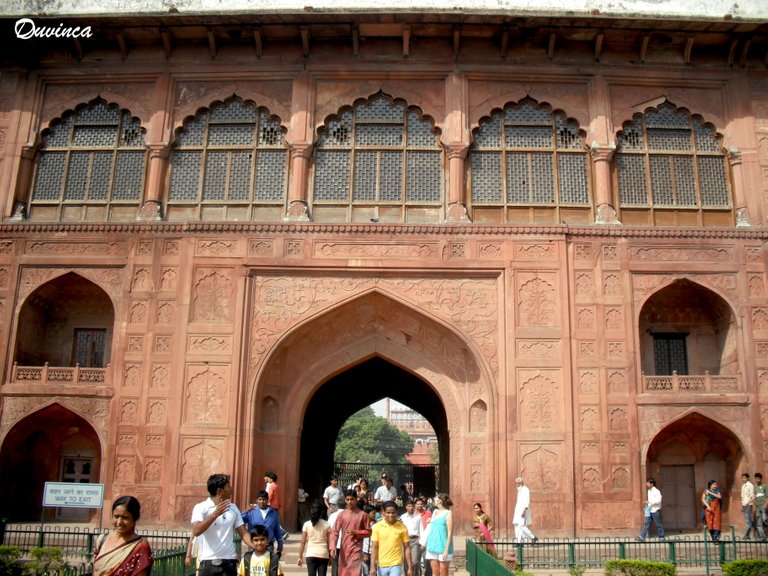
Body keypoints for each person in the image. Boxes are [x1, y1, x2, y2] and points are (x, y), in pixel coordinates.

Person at [192, 473, 257, 576]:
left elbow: (243, 533)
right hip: (208, 562)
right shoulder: (201, 508)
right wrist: (214, 514)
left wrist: (256, 545)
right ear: (220, 491)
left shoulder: (233, 508)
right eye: (228, 486)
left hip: (229, 562)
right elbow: (196, 531)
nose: (231, 489)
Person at [93, 495, 153, 576]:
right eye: (116, 516)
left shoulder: (140, 546)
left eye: (125, 518)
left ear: (134, 519)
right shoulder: (102, 539)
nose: (119, 522)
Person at [329, 490, 372, 576]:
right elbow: (334, 531)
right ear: (345, 500)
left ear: (356, 499)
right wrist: (332, 546)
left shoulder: (362, 515)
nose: (350, 502)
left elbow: (369, 532)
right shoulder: (341, 515)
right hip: (344, 550)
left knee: (354, 573)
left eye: (352, 499)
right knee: (343, 573)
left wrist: (356, 532)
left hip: (356, 549)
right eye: (347, 499)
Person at [371, 501, 413, 576]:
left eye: (393, 512)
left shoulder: (402, 527)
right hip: (381, 565)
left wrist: (410, 567)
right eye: (388, 512)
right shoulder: (377, 527)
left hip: (396, 564)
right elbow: (374, 547)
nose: (391, 515)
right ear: (383, 512)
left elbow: (407, 548)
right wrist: (372, 567)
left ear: (396, 512)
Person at [241, 490, 284, 558]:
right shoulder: (251, 512)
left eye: (264, 499)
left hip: (268, 545)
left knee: (267, 565)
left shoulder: (273, 513)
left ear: (267, 500)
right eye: (260, 499)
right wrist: (246, 511)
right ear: (256, 500)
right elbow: (239, 520)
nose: (262, 501)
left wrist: (280, 544)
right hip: (254, 544)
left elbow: (277, 530)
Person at [423, 493, 453, 576]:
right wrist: (430, 521)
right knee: (435, 573)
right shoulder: (435, 512)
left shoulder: (448, 513)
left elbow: (450, 532)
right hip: (433, 544)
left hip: (443, 546)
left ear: (439, 501)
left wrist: (446, 550)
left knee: (443, 573)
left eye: (435, 499)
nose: (434, 500)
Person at [298, 502, 331, 576]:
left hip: (311, 554)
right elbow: (329, 542)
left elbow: (303, 542)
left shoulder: (306, 524)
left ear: (311, 511)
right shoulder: (327, 524)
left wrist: (300, 557)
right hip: (323, 554)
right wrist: (330, 556)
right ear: (322, 511)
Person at [636, 477, 665, 541]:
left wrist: (650, 502)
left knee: (658, 524)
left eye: (648, 483)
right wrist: (647, 503)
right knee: (647, 524)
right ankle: (642, 537)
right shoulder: (649, 491)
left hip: (655, 510)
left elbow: (658, 500)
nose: (647, 484)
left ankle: (662, 536)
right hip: (649, 510)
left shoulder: (657, 491)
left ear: (652, 484)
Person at [400, 501, 422, 576]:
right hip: (405, 540)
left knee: (415, 560)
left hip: (415, 540)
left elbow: (421, 529)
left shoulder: (418, 517)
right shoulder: (402, 517)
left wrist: (421, 542)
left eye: (412, 506)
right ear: (406, 507)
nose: (411, 508)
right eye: (409, 506)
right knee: (406, 560)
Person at [513, 477, 537, 543]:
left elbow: (527, 501)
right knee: (516, 525)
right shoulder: (520, 490)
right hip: (518, 510)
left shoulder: (525, 490)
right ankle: (518, 542)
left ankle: (532, 537)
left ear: (521, 483)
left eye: (518, 483)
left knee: (521, 526)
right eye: (516, 483)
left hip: (523, 510)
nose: (517, 485)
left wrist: (524, 510)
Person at [741, 472, 756, 539]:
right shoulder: (743, 486)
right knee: (748, 520)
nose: (743, 479)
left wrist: (747, 503)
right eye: (743, 478)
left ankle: (746, 535)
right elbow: (742, 496)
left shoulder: (750, 485)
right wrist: (743, 505)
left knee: (748, 521)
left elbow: (752, 496)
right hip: (744, 504)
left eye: (744, 478)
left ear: (748, 478)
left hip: (748, 504)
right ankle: (749, 534)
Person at [754, 473, 768, 541]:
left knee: (765, 520)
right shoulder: (755, 487)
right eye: (756, 479)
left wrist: (766, 504)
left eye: (758, 478)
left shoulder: (765, 486)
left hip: (763, 505)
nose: (757, 480)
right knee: (759, 523)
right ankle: (763, 537)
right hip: (757, 506)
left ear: (761, 479)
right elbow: (754, 496)